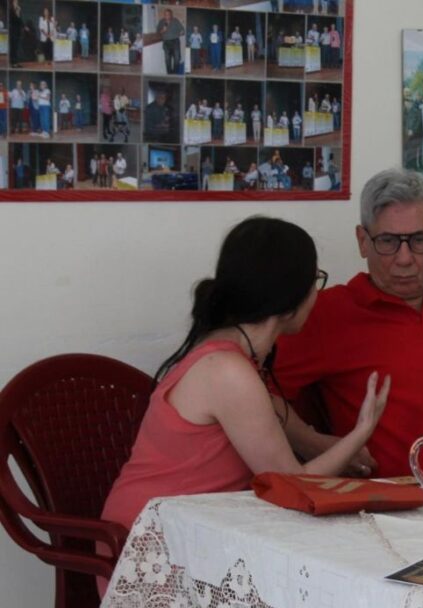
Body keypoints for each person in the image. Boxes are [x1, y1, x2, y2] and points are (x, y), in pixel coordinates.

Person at [99, 217, 391, 582]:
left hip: (185, 535)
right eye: (315, 281)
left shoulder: (230, 351)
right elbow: (292, 486)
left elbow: (280, 421)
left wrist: (329, 447)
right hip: (151, 550)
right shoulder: (229, 371)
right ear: (288, 302)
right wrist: (360, 433)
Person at [274, 169, 423, 478]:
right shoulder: (328, 312)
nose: (404, 258)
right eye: (387, 241)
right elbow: (258, 394)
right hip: (388, 506)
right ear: (363, 241)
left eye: (419, 240)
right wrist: (318, 445)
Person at [156, 9, 184, 74]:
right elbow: (157, 32)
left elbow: (182, 29)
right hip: (166, 43)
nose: (166, 16)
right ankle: (169, 74)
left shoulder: (175, 20)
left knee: (177, 59)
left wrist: (182, 32)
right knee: (167, 60)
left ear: (171, 15)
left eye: (168, 14)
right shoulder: (161, 21)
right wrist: (163, 30)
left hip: (175, 42)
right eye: (165, 14)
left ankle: (174, 73)